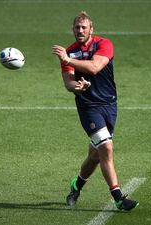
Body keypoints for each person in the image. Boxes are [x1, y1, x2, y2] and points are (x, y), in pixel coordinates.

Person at [52, 11, 138, 211]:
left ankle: (77, 185)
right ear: (72, 30)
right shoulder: (69, 52)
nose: (80, 30)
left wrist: (67, 60)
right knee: (106, 148)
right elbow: (68, 83)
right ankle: (118, 197)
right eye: (76, 27)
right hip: (88, 107)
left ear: (91, 29)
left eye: (84, 27)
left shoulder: (103, 44)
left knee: (95, 156)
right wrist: (77, 87)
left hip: (109, 105)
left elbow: (94, 67)